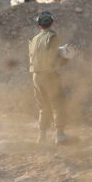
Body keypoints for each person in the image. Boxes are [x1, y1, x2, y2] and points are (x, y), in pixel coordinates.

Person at [28, 11, 69, 145]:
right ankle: (60, 135)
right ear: (52, 23)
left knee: (43, 106)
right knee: (58, 103)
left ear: (39, 26)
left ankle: (42, 137)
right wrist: (66, 59)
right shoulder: (52, 37)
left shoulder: (34, 39)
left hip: (36, 75)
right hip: (48, 75)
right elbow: (51, 59)